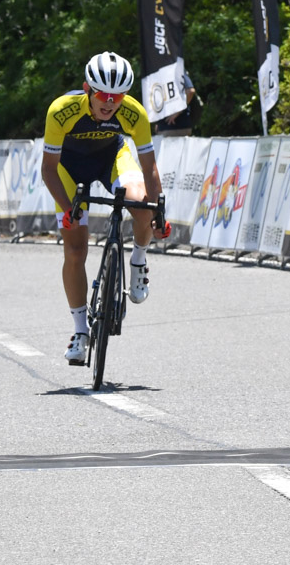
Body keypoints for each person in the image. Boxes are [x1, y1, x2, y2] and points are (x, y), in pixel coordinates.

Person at [41, 51, 171, 364]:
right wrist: (68, 208)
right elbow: (48, 169)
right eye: (102, 95)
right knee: (74, 251)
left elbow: (149, 168)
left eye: (117, 96)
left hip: (110, 159)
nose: (110, 103)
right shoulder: (61, 110)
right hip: (68, 170)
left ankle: (138, 261)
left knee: (141, 205)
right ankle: (80, 330)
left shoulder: (133, 113)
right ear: (88, 89)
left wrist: (158, 212)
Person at [153, 70, 197, 136]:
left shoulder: (175, 69)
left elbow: (190, 91)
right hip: (165, 128)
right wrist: (158, 123)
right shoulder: (161, 72)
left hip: (175, 128)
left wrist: (178, 111)